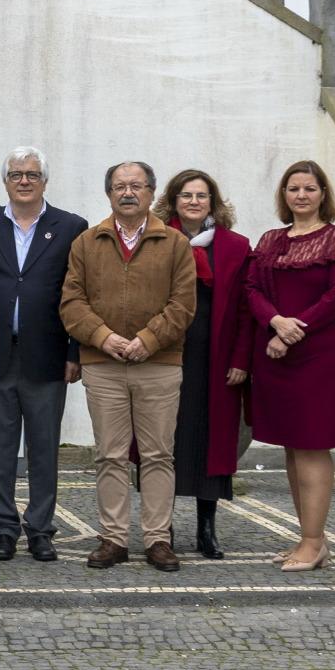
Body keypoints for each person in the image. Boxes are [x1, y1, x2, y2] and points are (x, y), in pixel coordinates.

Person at [60, 162, 197, 572]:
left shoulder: (174, 243)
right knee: (110, 456)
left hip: (159, 363)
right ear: (108, 194)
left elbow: (183, 304)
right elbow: (72, 302)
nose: (128, 193)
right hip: (103, 364)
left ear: (152, 192)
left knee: (158, 455)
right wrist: (104, 337)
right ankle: (113, 538)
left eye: (136, 185)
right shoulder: (87, 242)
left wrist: (147, 340)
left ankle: (157, 539)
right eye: (120, 186)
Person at [0, 147, 87, 563]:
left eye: (32, 174)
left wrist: (76, 351)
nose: (23, 180)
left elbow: (78, 292)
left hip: (48, 355)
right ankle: (3, 527)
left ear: (44, 181)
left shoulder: (71, 226)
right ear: (3, 181)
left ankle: (40, 529)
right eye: (16, 174)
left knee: (43, 448)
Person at [248, 160, 335, 572]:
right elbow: (252, 288)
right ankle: (309, 538)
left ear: (323, 195)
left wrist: (292, 331)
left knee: (313, 446)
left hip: (321, 355)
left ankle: (313, 542)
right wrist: (274, 322)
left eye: (309, 189)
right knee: (293, 449)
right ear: (284, 196)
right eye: (293, 188)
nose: (301, 195)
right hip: (278, 354)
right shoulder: (271, 240)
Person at [153, 168, 254, 559]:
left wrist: (242, 359)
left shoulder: (235, 246)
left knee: (212, 442)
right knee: (164, 440)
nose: (194, 202)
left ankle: (206, 528)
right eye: (186, 195)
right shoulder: (156, 239)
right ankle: (163, 527)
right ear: (173, 201)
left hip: (217, 359)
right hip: (167, 356)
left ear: (213, 203)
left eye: (201, 196)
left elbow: (246, 310)